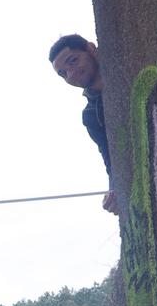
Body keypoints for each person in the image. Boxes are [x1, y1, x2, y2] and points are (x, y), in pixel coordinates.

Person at [49, 35, 118, 213]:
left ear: (90, 48)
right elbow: (111, 160)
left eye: (72, 61)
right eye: (63, 73)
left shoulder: (124, 62)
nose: (71, 74)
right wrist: (115, 192)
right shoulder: (91, 116)